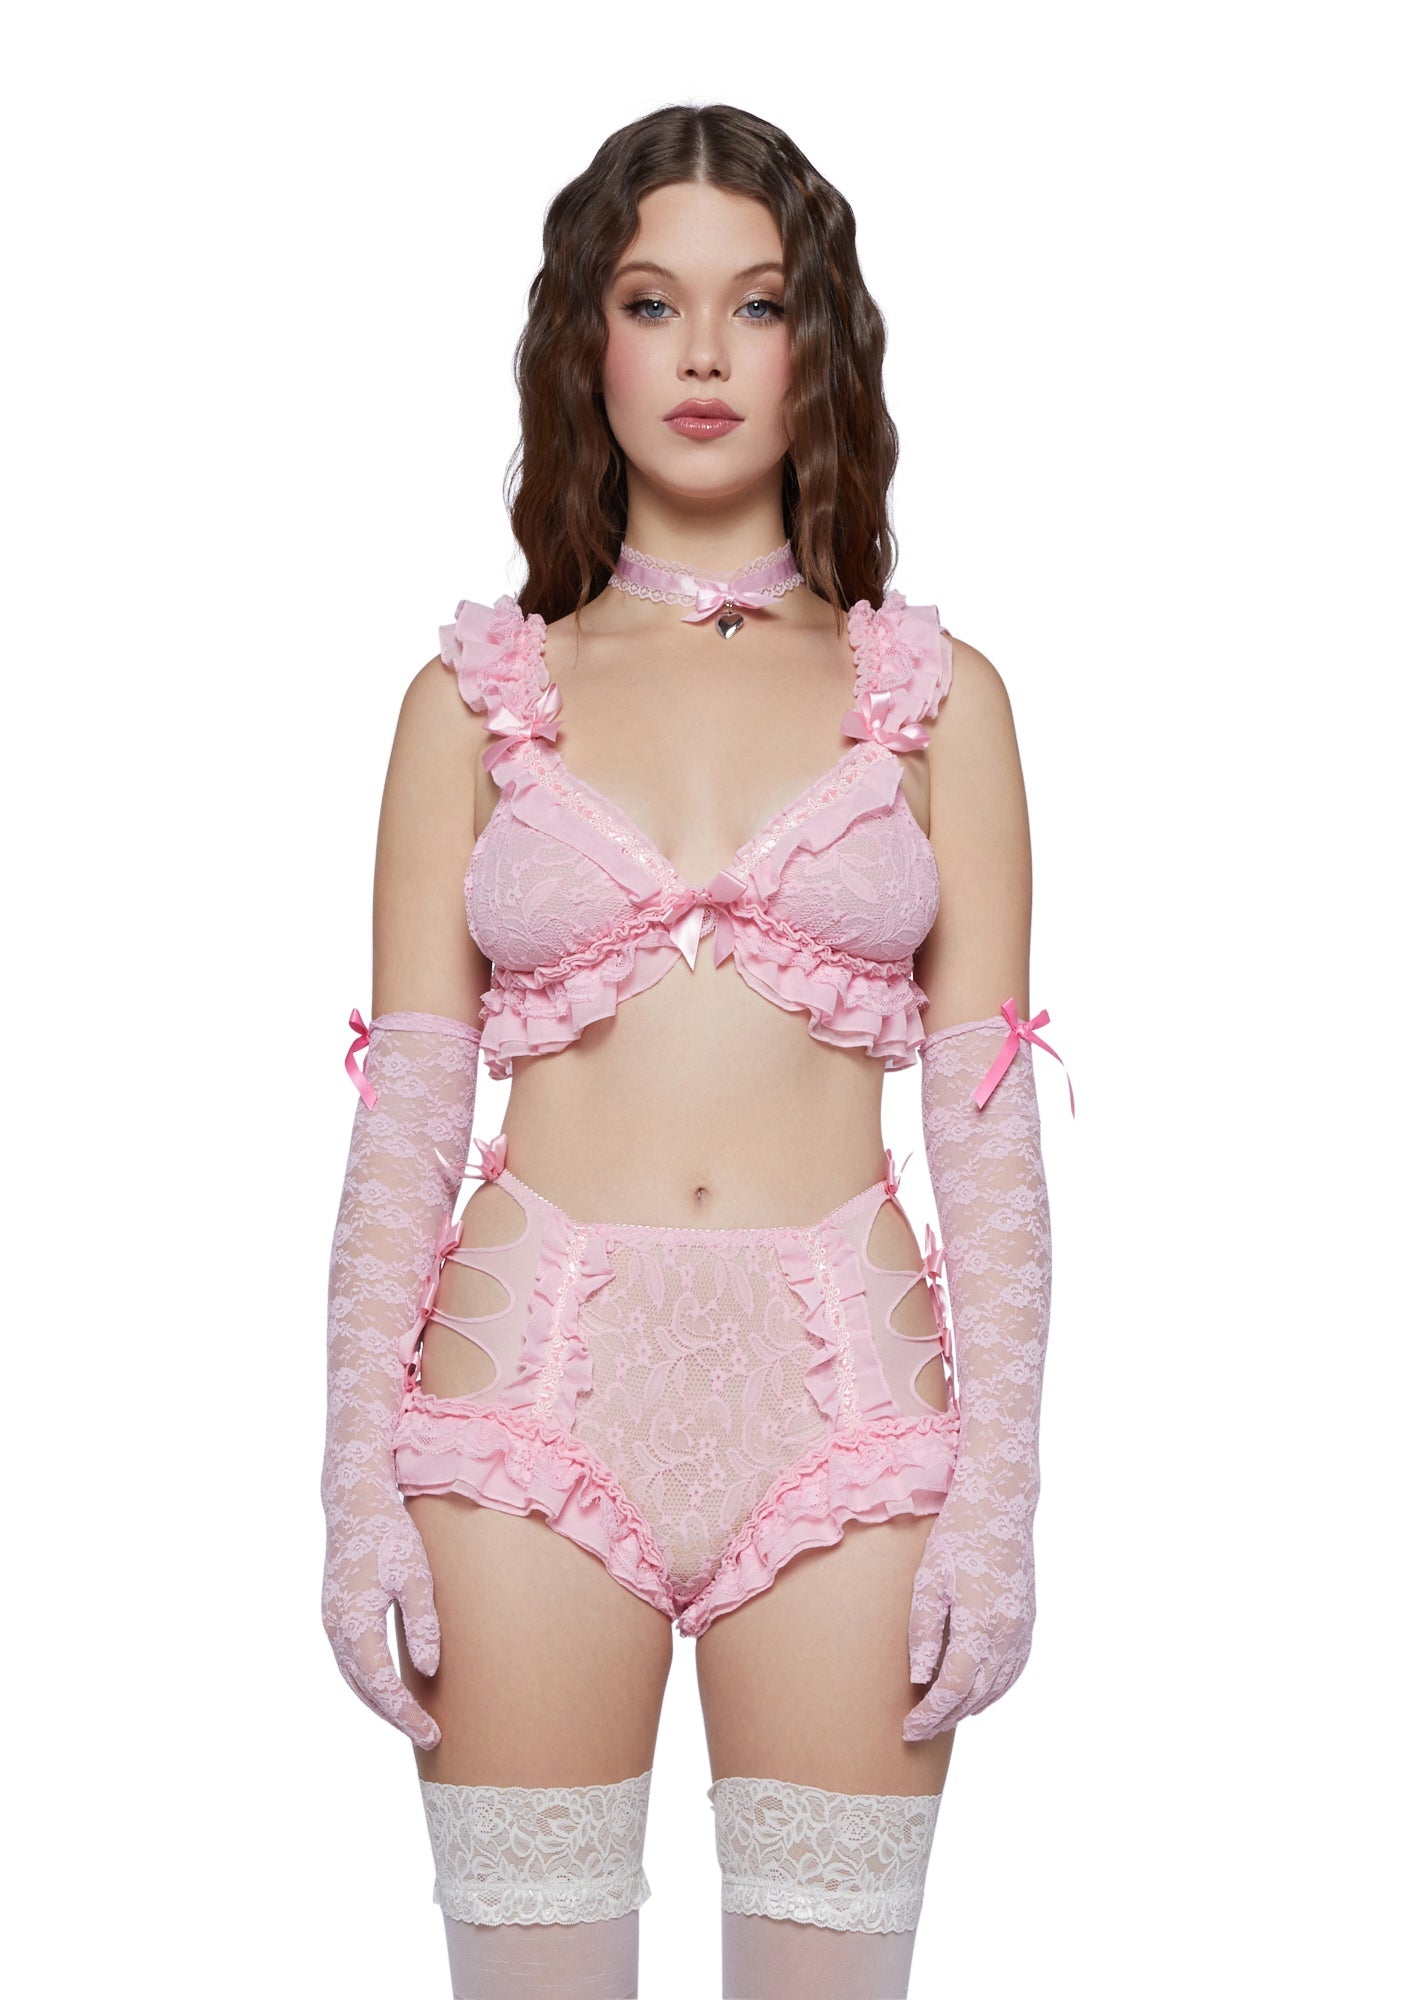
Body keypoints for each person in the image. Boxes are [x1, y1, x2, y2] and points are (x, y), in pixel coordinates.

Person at [321, 101, 1064, 2000]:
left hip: (852, 1413)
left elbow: (987, 1138)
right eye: (653, 302)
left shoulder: (939, 704)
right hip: (519, 1399)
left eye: (759, 302)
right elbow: (406, 1120)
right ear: (588, 342)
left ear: (822, 344)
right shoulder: (472, 702)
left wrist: (999, 1497)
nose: (707, 352)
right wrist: (348, 1486)